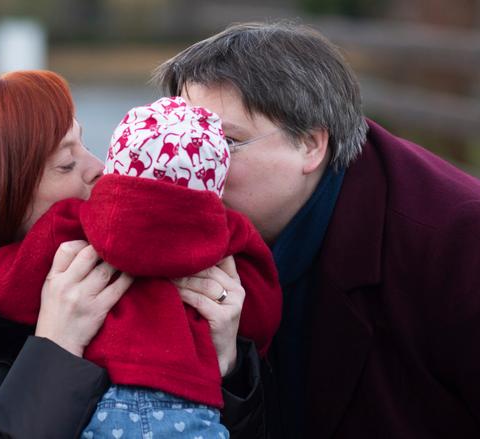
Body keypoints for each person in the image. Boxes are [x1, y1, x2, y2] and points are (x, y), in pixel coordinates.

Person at [0, 71, 265, 438]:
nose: (100, 168)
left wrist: (227, 365)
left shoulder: (116, 259)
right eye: (67, 164)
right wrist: (56, 345)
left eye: (84, 144)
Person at [153, 21, 480, 439]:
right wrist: (232, 374)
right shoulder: (177, 226)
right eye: (183, 137)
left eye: (226, 143)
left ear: (310, 144)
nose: (192, 165)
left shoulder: (455, 244)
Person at [0, 96, 282, 438]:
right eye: (68, 162)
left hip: (101, 404)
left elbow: (8, 291)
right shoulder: (230, 232)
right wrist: (238, 349)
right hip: (192, 403)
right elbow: (261, 310)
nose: (94, 165)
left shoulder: (72, 222)